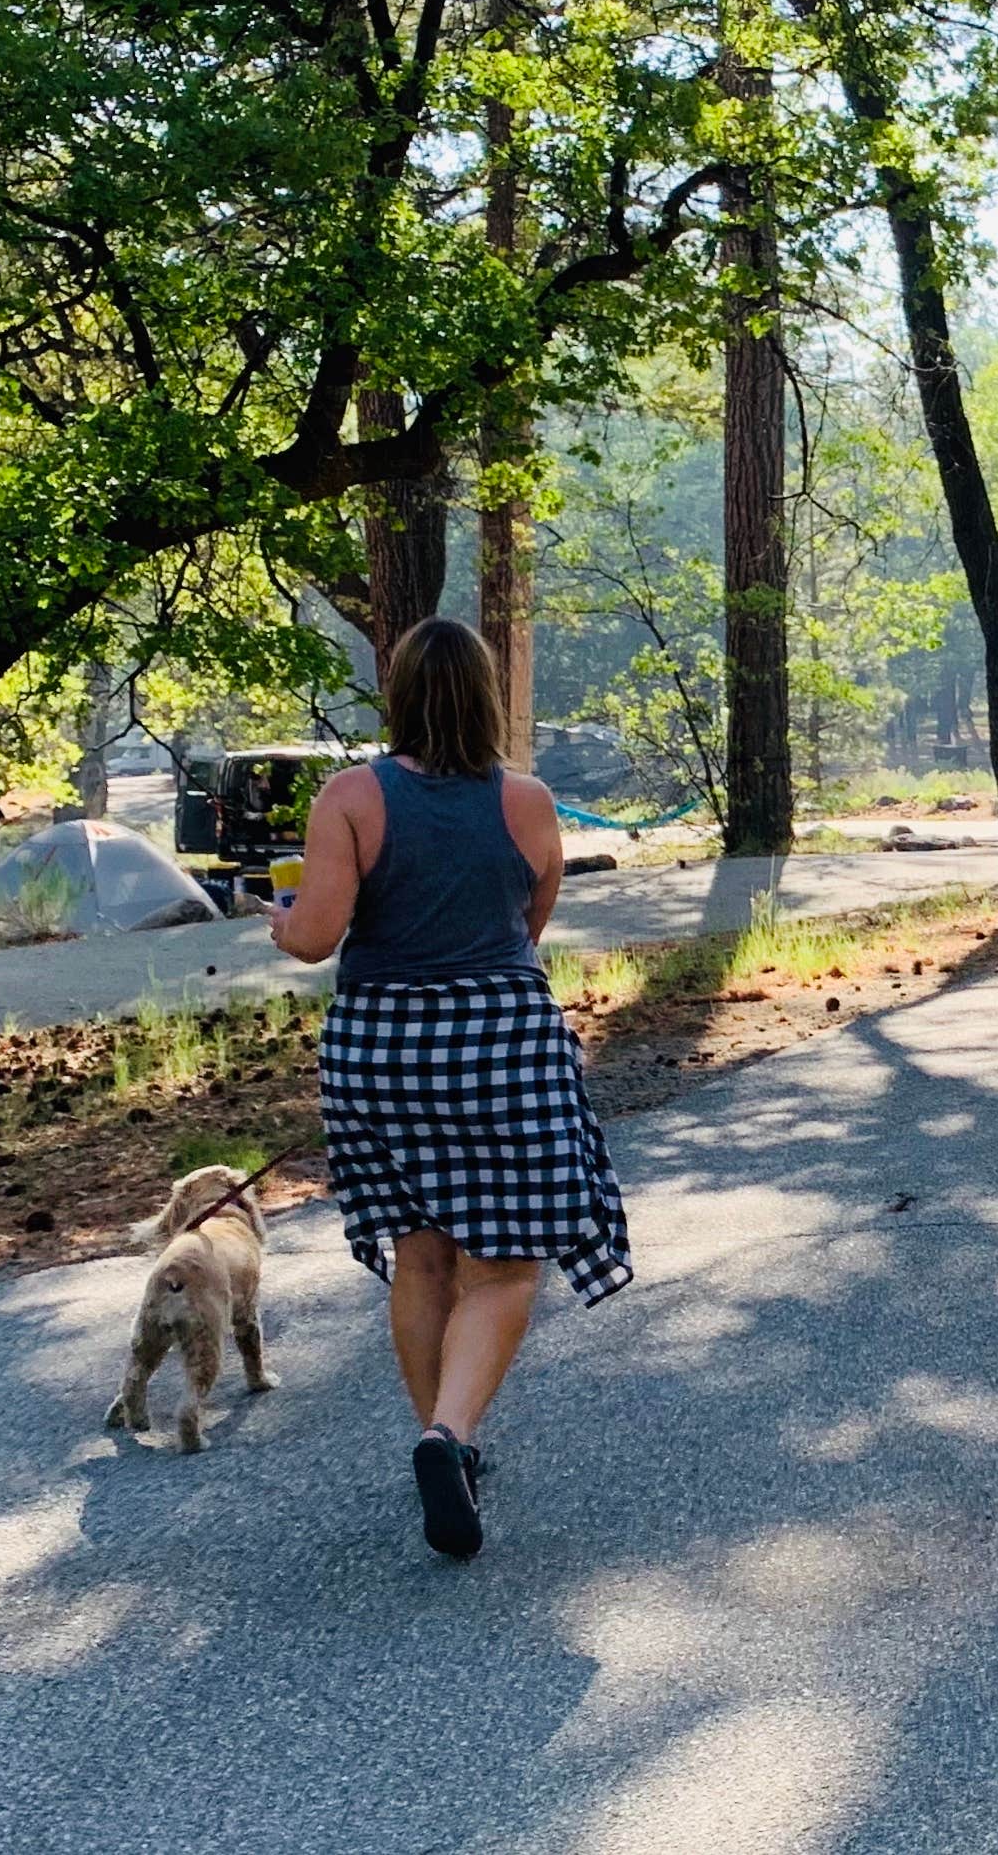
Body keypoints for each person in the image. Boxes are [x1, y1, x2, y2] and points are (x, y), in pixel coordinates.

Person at [269, 618, 629, 1559]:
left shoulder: (350, 796)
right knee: (506, 1264)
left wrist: (280, 921)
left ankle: (446, 1440)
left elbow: (313, 939)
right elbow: (528, 924)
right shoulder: (530, 800)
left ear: (399, 696)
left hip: (379, 1050)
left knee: (421, 1251)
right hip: (503, 1044)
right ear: (485, 696)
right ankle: (450, 1437)